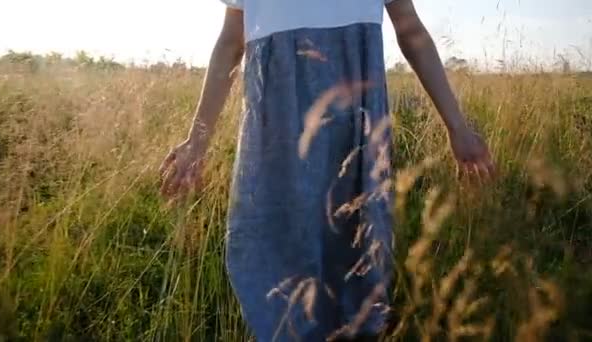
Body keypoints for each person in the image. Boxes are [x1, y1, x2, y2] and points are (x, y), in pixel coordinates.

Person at [159, 0, 495, 341]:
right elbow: (232, 41)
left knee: (354, 259)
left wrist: (458, 127)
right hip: (277, 137)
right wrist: (196, 142)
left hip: (353, 135)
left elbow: (410, 30)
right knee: (275, 263)